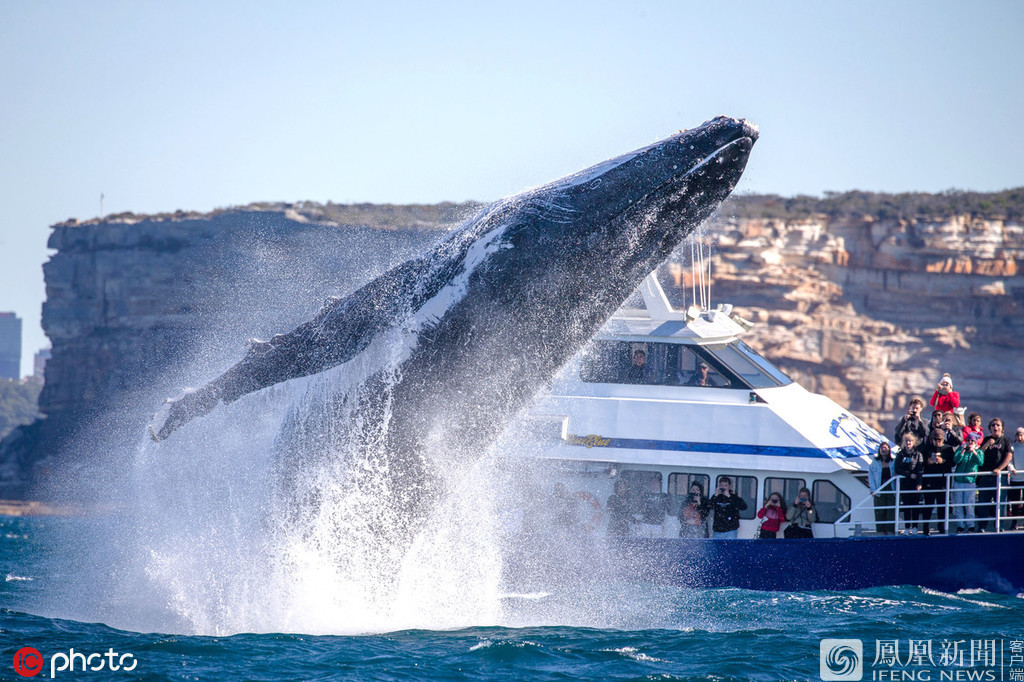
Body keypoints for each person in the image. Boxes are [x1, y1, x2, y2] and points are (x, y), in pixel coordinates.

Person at [977, 418, 1013, 532]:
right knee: (984, 502)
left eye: (998, 425)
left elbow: (1009, 456)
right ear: (990, 428)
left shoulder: (1006, 440)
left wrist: (999, 469)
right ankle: (982, 526)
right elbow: (979, 453)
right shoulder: (986, 439)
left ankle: (999, 525)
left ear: (1002, 428)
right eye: (993, 425)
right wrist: (987, 444)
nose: (995, 427)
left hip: (1000, 476)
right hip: (986, 476)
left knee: (1000, 502)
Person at [918, 428, 954, 535]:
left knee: (942, 506)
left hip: (943, 481)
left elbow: (953, 463)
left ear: (943, 439)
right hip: (929, 481)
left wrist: (943, 461)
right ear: (931, 439)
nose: (937, 441)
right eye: (935, 439)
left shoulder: (948, 449)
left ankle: (941, 526)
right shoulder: (926, 448)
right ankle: (926, 527)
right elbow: (920, 462)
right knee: (928, 505)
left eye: (939, 439)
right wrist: (927, 462)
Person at [951, 431, 984, 532]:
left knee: (969, 505)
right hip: (959, 481)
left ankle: (971, 525)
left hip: (970, 482)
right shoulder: (960, 449)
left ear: (975, 443)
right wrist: (962, 452)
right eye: (968, 440)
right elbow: (955, 460)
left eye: (972, 441)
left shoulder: (979, 452)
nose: (970, 442)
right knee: (958, 505)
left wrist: (974, 452)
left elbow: (980, 462)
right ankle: (960, 525)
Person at [895, 433, 925, 534]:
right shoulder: (901, 454)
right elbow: (897, 468)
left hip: (915, 483)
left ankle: (915, 527)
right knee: (906, 506)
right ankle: (907, 527)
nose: (908, 443)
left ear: (913, 442)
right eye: (907, 441)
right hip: (905, 483)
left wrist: (919, 482)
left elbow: (920, 468)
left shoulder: (918, 454)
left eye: (910, 441)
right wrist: (908, 474)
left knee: (915, 506)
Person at [869, 442, 897, 535]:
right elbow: (871, 476)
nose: (883, 450)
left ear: (889, 450)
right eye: (882, 448)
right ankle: (880, 531)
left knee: (891, 511)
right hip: (879, 488)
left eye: (885, 448)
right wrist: (872, 489)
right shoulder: (875, 462)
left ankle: (890, 531)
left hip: (891, 488)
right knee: (880, 511)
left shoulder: (893, 462)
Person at [1006, 427, 1023, 530]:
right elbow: (1009, 460)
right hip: (1015, 478)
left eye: (1022, 435)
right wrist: (1011, 468)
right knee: (1015, 502)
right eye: (1018, 435)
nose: (1020, 437)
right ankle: (1014, 522)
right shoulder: (1012, 447)